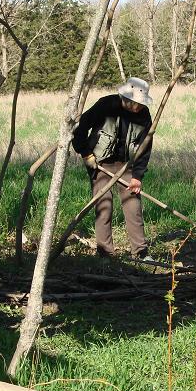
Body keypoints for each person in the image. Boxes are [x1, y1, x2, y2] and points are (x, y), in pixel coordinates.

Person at [72, 77, 154, 260]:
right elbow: (80, 127)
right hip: (100, 163)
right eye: (137, 103)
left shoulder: (144, 115)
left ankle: (140, 252)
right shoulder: (106, 105)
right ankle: (105, 253)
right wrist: (85, 153)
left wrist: (137, 176)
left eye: (142, 103)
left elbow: (145, 147)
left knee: (133, 206)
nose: (140, 107)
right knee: (104, 204)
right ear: (127, 99)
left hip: (126, 165)